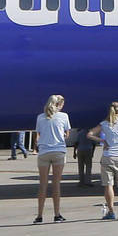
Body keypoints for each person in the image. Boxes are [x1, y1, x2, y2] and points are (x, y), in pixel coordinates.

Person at [32, 94, 70, 223]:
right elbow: (67, 134)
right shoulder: (64, 116)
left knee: (43, 185)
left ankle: (39, 215)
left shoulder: (40, 117)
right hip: (58, 151)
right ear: (59, 105)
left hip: (44, 152)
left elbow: (39, 134)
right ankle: (57, 214)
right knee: (56, 184)